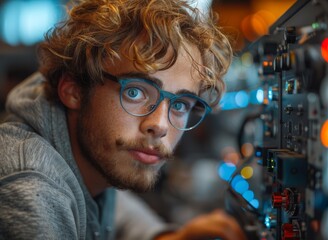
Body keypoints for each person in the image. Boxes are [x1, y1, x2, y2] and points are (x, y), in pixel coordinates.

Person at [0, 0, 247, 239]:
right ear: (73, 89)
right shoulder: (30, 187)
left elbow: (114, 203)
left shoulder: (91, 161)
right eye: (135, 92)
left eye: (180, 104)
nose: (160, 125)